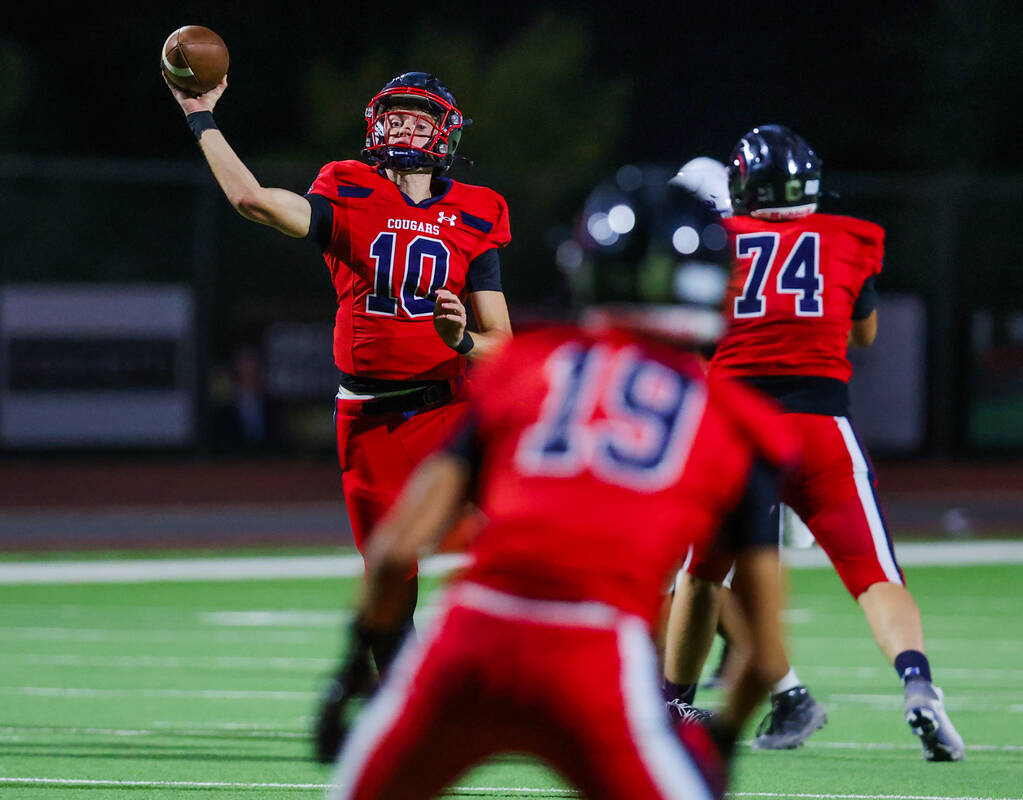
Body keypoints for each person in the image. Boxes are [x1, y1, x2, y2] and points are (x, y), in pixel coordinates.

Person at [315, 175, 797, 799]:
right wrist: (723, 746)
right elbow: (761, 655)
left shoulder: (525, 367)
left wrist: (350, 680)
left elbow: (391, 552)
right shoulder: (739, 422)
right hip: (595, 659)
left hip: (471, 643)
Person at [164, 70, 513, 669]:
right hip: (370, 419)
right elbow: (255, 201)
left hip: (452, 410)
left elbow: (502, 346)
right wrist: (202, 118)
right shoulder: (348, 186)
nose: (404, 124)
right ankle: (396, 711)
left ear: (446, 132)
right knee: (390, 580)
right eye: (395, 114)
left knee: (535, 534)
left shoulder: (477, 211)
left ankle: (634, 684)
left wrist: (459, 341)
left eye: (419, 117)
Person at [668, 127, 965, 762]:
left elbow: (687, 332)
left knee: (700, 576)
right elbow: (865, 332)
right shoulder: (847, 238)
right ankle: (918, 683)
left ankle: (674, 703)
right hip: (821, 429)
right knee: (876, 575)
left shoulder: (715, 245)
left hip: (737, 432)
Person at [661, 155, 828, 751]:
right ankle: (702, 692)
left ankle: (784, 694)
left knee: (701, 571)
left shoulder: (724, 264)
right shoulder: (760, 253)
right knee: (698, 572)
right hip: (763, 432)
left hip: (740, 437)